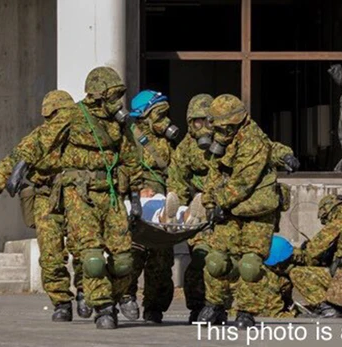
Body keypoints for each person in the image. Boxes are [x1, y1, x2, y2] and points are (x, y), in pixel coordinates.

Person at [6, 67, 143, 329]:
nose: (117, 101)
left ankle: (113, 297)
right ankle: (103, 306)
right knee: (91, 257)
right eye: (113, 95)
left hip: (111, 194)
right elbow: (41, 140)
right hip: (80, 194)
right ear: (98, 94)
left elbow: (130, 158)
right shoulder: (73, 115)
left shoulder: (118, 124)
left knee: (124, 258)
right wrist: (20, 166)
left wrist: (135, 196)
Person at [0, 90, 92, 321]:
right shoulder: (37, 139)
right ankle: (61, 302)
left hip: (76, 195)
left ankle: (85, 292)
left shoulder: (84, 137)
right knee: (50, 254)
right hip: (45, 197)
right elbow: (9, 163)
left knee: (85, 249)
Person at [197, 94, 300, 329]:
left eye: (224, 126)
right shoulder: (222, 139)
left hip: (256, 211)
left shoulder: (252, 140)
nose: (220, 131)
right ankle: (215, 305)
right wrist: (210, 204)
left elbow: (244, 180)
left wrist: (221, 202)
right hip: (228, 209)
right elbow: (213, 174)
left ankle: (245, 311)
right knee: (217, 261)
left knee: (250, 265)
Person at [119, 90, 178, 324]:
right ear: (144, 116)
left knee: (162, 258)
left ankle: (154, 307)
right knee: (132, 254)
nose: (165, 121)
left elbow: (177, 171)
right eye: (159, 114)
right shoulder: (129, 139)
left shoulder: (167, 142)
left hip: (162, 205)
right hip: (135, 202)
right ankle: (126, 295)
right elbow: (119, 170)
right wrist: (136, 190)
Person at [166, 94, 216, 323]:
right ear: (189, 122)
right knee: (200, 257)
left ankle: (219, 305)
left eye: (208, 121)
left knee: (224, 260)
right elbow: (177, 181)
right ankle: (197, 306)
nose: (204, 126)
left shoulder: (227, 142)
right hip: (199, 212)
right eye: (198, 121)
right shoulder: (185, 149)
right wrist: (180, 210)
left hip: (225, 207)